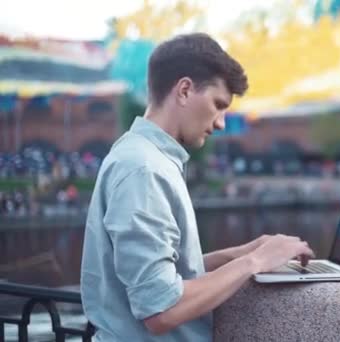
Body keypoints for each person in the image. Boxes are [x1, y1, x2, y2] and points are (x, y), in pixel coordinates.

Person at [80, 33, 315, 341]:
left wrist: (237, 253)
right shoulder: (144, 168)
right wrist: (255, 262)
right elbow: (160, 309)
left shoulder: (144, 156)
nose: (220, 123)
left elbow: (158, 275)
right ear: (185, 90)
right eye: (218, 105)